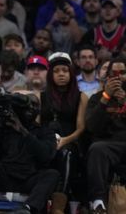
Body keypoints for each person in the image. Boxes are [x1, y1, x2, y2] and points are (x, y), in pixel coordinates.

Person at [41, 52, 88, 213]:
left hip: (71, 141)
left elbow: (81, 127)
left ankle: (58, 206)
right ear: (50, 74)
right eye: (56, 71)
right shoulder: (42, 96)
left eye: (65, 70)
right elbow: (37, 124)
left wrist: (65, 140)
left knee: (66, 154)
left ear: (71, 73)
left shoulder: (81, 97)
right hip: (46, 140)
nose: (61, 74)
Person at [85, 54, 126, 213]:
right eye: (113, 74)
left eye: (122, 73)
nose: (118, 78)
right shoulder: (97, 98)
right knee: (97, 149)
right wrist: (106, 98)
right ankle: (98, 202)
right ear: (107, 77)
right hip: (108, 146)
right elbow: (91, 127)